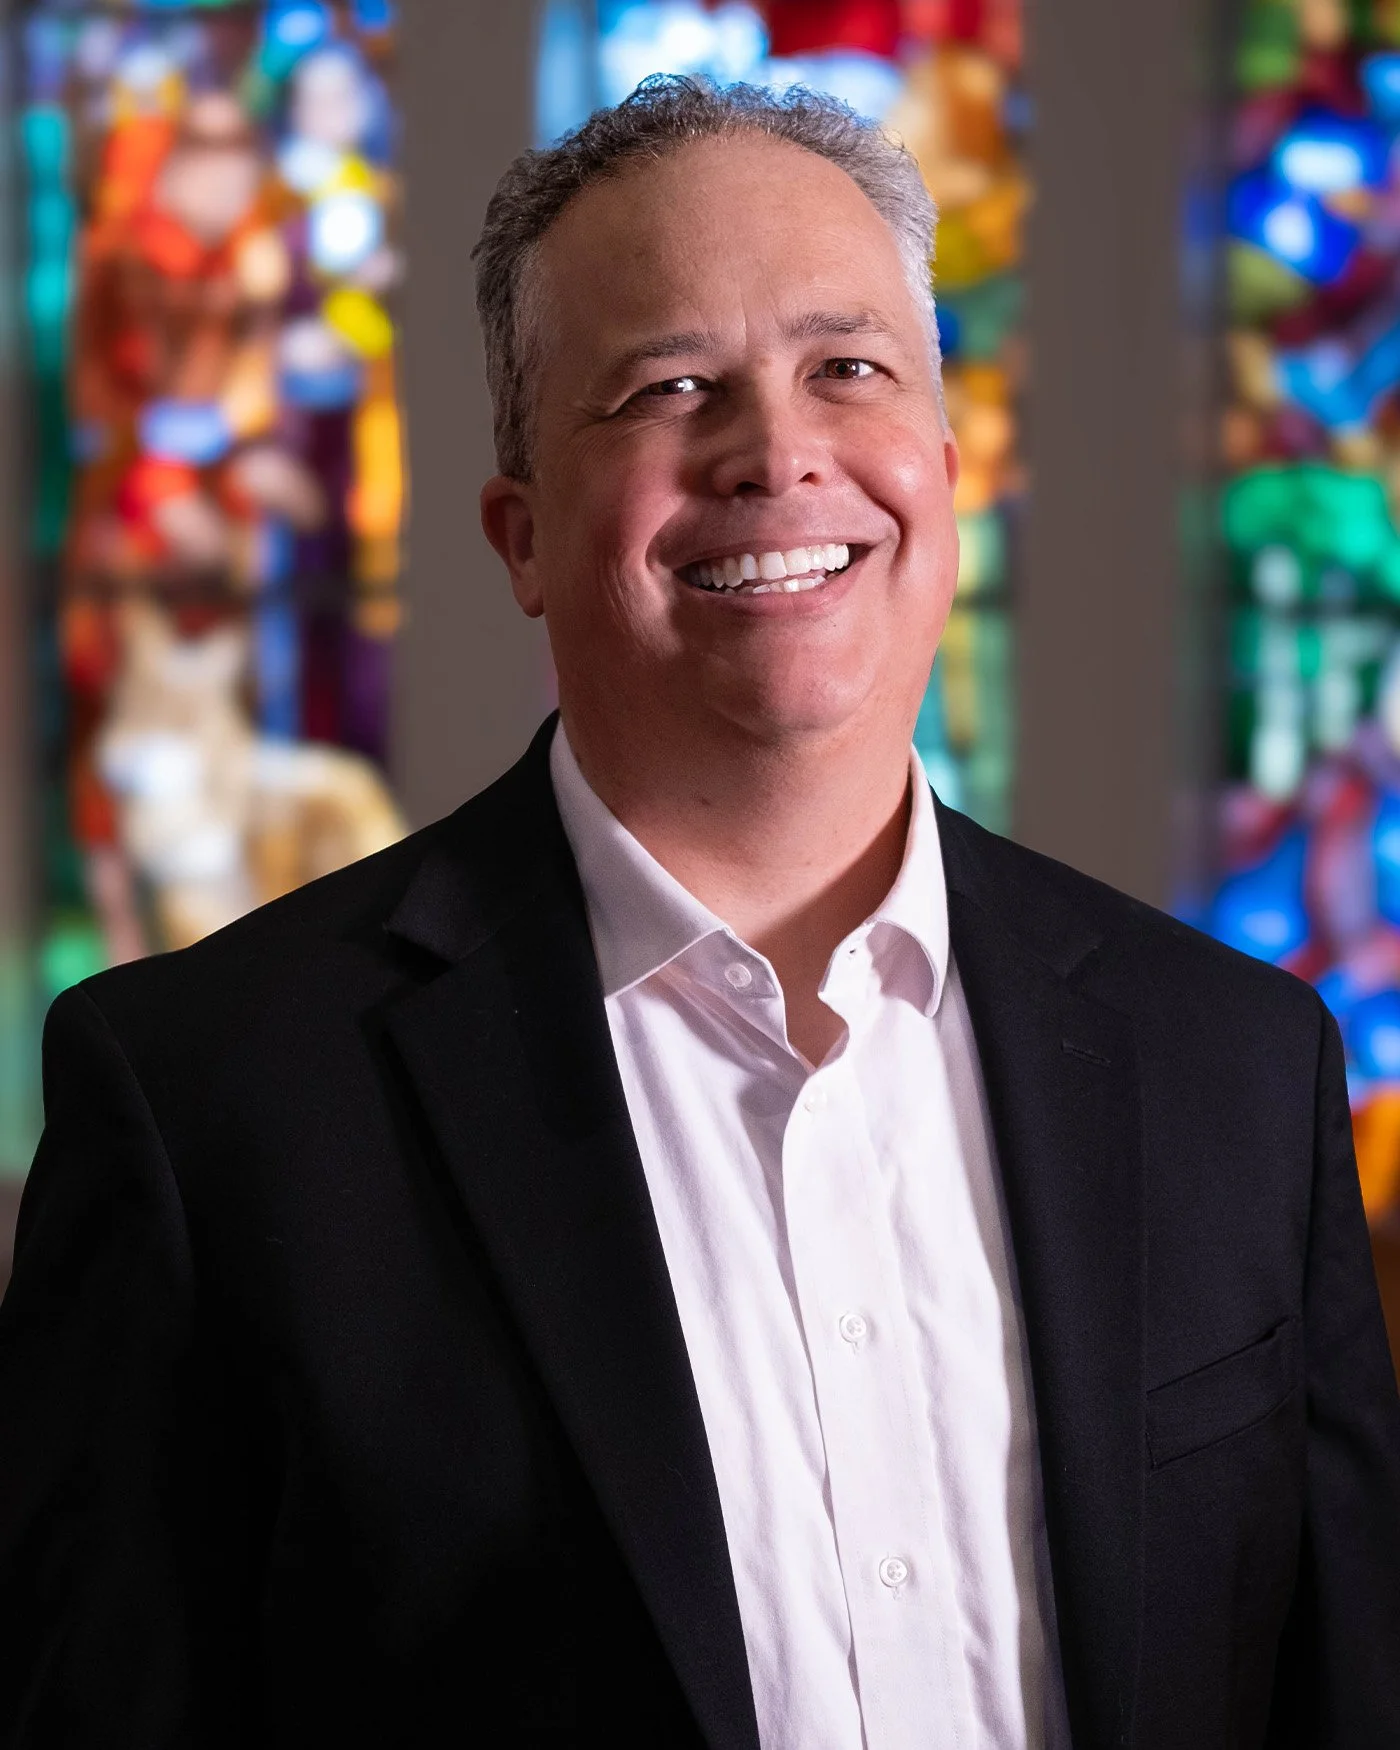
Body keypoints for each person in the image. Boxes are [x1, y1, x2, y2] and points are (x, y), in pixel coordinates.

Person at [2, 75, 1398, 1750]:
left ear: (946, 473)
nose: (776, 451)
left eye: (848, 368)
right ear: (520, 533)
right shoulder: (211, 1111)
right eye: (669, 387)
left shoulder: (1237, 1067)